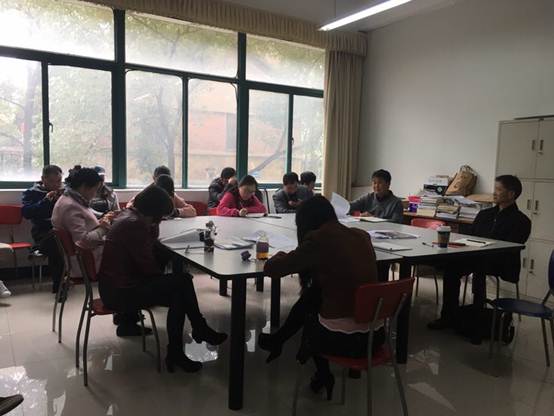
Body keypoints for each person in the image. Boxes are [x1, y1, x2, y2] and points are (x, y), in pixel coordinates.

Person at [259, 196, 383, 398]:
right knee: (314, 294)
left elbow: (273, 269)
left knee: (311, 315)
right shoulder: (360, 235)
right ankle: (282, 342)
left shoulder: (319, 240)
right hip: (375, 337)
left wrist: (281, 254)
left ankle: (322, 372)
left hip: (346, 341)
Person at [98, 184, 227, 373]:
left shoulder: (129, 216)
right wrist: (166, 278)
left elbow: (149, 254)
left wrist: (154, 231)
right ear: (154, 212)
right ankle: (195, 332)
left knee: (178, 292)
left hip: (114, 286)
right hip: (121, 293)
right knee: (182, 282)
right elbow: (149, 268)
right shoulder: (135, 225)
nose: (160, 220)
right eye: (160, 216)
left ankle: (183, 345)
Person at [428, 175, 532, 342]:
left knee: (479, 267)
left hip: (501, 262)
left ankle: (476, 324)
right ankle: (448, 316)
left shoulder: (521, 221)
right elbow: (470, 237)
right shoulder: (485, 214)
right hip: (476, 256)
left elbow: (510, 248)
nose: (494, 193)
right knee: (452, 268)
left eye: (499, 189)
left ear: (511, 194)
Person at [52, 166, 142, 336]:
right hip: (87, 262)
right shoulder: (71, 206)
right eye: (94, 190)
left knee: (130, 259)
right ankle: (127, 319)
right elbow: (83, 240)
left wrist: (101, 222)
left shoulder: (69, 200)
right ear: (84, 186)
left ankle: (123, 314)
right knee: (134, 265)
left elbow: (83, 231)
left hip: (83, 258)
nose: (95, 195)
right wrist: (104, 228)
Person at [22, 165, 65, 294]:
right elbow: (26, 213)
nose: (56, 185)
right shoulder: (31, 193)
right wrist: (46, 200)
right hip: (43, 232)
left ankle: (83, 277)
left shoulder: (65, 192)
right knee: (55, 242)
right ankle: (59, 285)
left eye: (59, 181)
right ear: (43, 179)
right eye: (52, 181)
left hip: (63, 230)